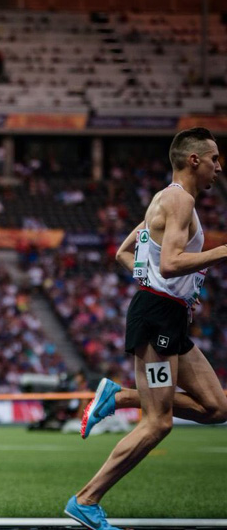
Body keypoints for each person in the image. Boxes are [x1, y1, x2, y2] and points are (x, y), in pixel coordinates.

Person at [65, 127, 227, 530]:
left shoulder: (166, 200)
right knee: (159, 423)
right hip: (158, 318)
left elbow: (126, 254)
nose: (218, 168)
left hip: (165, 314)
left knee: (217, 407)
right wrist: (222, 252)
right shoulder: (179, 200)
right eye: (214, 159)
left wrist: (165, 287)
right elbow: (171, 263)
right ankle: (86, 500)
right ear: (194, 160)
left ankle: (120, 397)